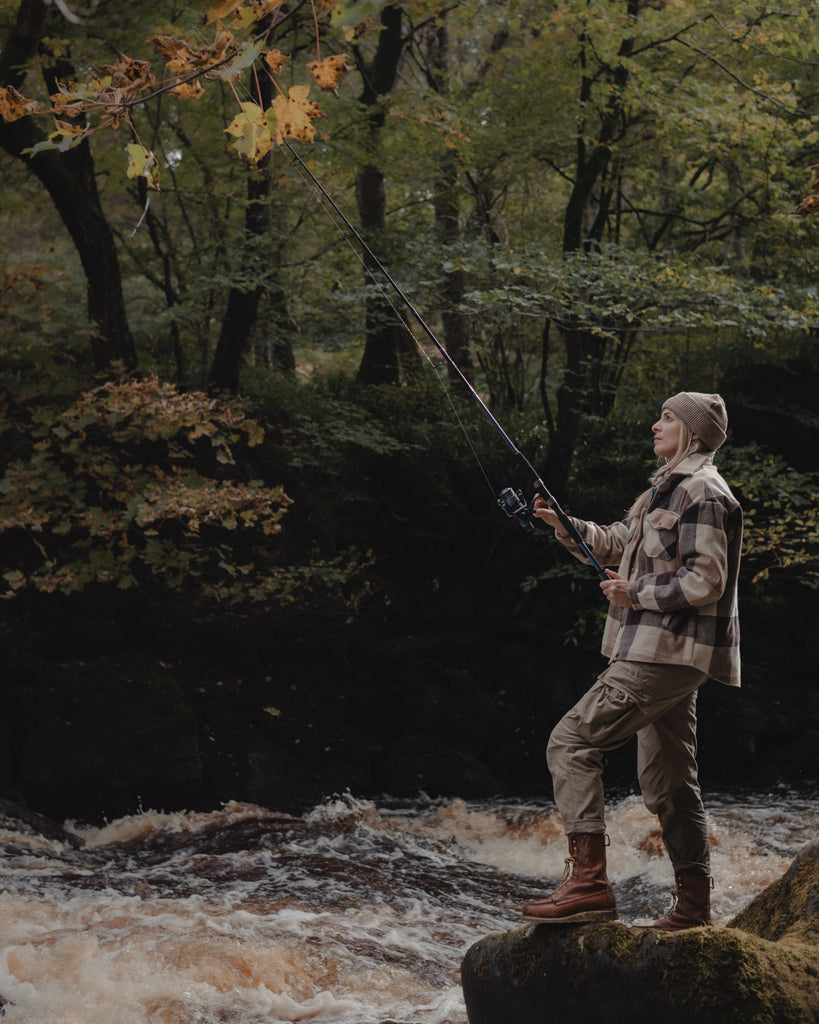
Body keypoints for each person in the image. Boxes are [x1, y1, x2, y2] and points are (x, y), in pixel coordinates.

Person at [520, 392, 743, 931]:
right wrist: (564, 524)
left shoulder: (704, 493)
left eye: (667, 417)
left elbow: (706, 579)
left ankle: (588, 884)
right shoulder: (662, 489)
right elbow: (618, 543)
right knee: (669, 781)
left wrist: (635, 593)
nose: (654, 424)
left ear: (692, 430)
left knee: (571, 742)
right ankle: (694, 908)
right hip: (656, 649)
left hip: (664, 651)